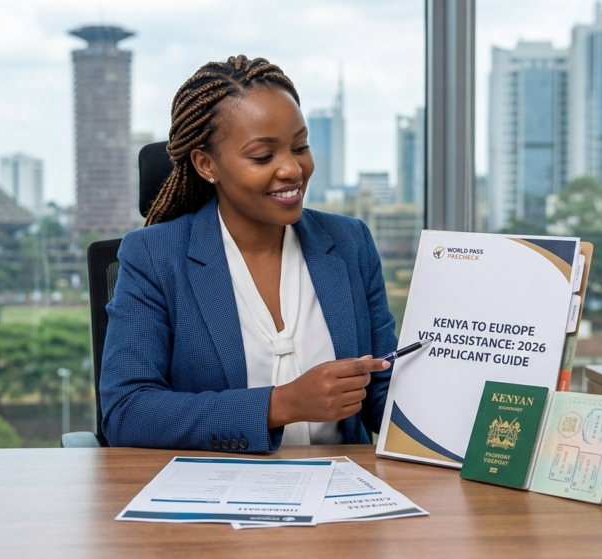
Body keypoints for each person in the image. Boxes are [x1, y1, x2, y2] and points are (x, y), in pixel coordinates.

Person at [99, 55, 397, 452]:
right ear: (207, 164)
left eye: (300, 146)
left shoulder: (349, 242)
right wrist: (281, 404)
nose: (292, 169)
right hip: (218, 495)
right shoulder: (154, 256)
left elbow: (382, 394)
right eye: (263, 156)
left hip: (342, 490)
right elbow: (127, 412)